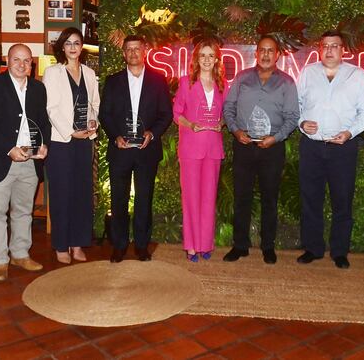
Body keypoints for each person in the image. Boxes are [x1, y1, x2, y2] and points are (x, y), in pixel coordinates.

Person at [295, 30, 364, 269]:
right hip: (312, 146)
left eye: (335, 46)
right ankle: (313, 248)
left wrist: (350, 133)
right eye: (325, 46)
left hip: (343, 148)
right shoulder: (308, 73)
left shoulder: (357, 75)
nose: (329, 50)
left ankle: (340, 251)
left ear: (343, 50)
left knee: (342, 200)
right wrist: (301, 123)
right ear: (320, 49)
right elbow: (296, 105)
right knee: (311, 199)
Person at [0, 44, 51, 281]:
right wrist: (9, 149)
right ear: (7, 60)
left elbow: (43, 121)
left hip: (30, 160)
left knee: (23, 211)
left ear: (32, 64)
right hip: (0, 159)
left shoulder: (38, 88)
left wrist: (44, 144)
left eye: (27, 61)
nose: (22, 65)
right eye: (16, 60)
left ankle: (20, 253)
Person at [222, 35, 300, 264]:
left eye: (270, 51)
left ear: (277, 55)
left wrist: (275, 138)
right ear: (256, 54)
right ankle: (240, 246)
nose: (266, 54)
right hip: (244, 146)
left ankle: (268, 246)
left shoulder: (287, 83)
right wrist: (236, 131)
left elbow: (292, 116)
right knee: (241, 198)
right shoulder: (242, 78)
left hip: (272, 149)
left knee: (269, 199)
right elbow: (228, 107)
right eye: (262, 50)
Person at [100, 35, 172, 263]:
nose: (132, 53)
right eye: (128, 49)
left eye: (136, 49)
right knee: (118, 200)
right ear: (124, 54)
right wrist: (115, 137)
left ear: (144, 51)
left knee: (144, 199)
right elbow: (105, 114)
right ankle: (119, 245)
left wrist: (152, 133)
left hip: (146, 150)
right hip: (120, 150)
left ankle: (141, 245)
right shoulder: (113, 81)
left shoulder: (158, 80)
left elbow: (166, 114)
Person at [42, 27, 99, 264]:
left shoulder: (88, 72)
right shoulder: (52, 72)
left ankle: (77, 244)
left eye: (77, 43)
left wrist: (94, 120)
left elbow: (94, 102)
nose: (73, 47)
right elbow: (50, 108)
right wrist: (70, 131)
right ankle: (61, 245)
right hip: (62, 142)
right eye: (68, 43)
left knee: (81, 194)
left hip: (84, 141)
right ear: (62, 47)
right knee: (62, 194)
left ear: (81, 46)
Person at [173, 39, 228, 262]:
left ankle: (206, 245)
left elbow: (226, 114)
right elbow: (176, 113)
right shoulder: (186, 82)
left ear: (216, 59)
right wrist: (190, 125)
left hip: (213, 148)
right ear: (196, 59)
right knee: (191, 198)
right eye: (202, 55)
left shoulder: (222, 85)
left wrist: (221, 123)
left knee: (208, 198)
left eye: (210, 55)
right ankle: (191, 246)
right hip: (190, 148)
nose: (206, 59)